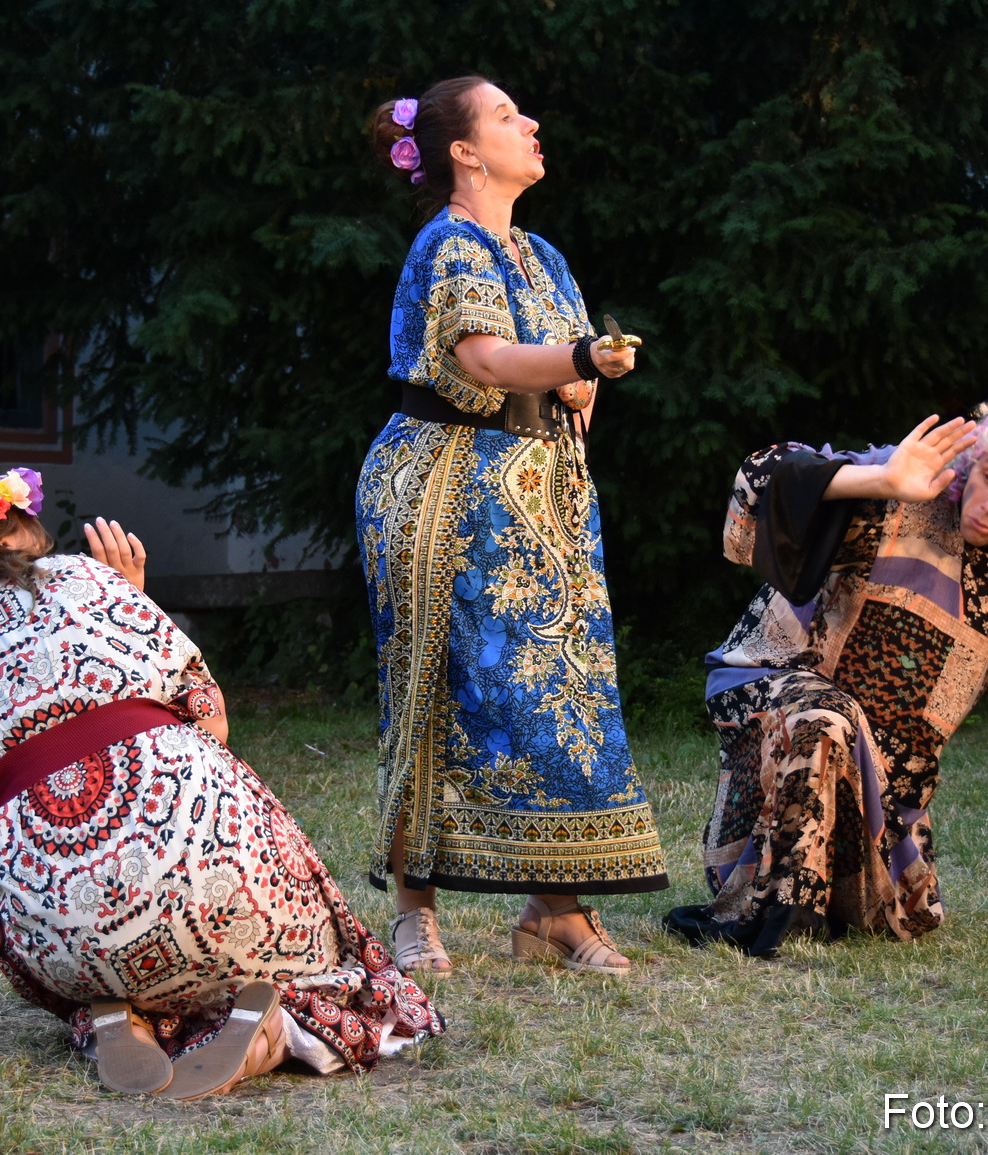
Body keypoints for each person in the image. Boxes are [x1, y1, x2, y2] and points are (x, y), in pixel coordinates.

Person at [0, 467, 443, 1097]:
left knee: (56, 921)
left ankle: (110, 1015)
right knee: (321, 973)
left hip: (68, 928)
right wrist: (132, 596)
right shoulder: (86, 578)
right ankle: (272, 1031)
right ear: (15, 532)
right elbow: (215, 724)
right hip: (223, 883)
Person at [663, 388, 988, 956]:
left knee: (891, 910)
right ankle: (779, 909)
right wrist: (876, 480)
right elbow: (752, 498)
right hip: (773, 685)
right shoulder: (906, 482)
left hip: (889, 777)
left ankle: (828, 897)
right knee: (829, 721)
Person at [355, 76, 668, 976]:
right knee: (436, 688)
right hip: (442, 486)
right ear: (462, 151)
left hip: (540, 493)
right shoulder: (448, 243)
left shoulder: (545, 256)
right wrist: (576, 359)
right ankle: (416, 911)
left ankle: (555, 911)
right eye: (505, 116)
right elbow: (486, 360)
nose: (531, 124)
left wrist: (583, 380)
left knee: (552, 693)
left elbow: (571, 385)